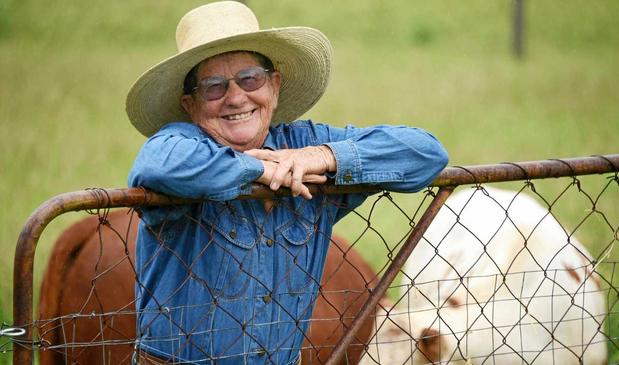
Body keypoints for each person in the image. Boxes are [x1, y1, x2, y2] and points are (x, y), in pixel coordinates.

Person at [126, 1, 448, 363]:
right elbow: (156, 165)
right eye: (214, 86)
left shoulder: (303, 143)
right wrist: (257, 170)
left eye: (251, 78)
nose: (235, 97)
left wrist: (324, 157)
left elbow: (426, 153)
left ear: (274, 85)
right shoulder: (181, 143)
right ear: (191, 104)